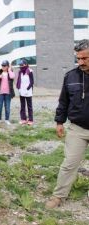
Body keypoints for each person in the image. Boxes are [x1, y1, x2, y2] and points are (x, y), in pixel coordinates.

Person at [45, 39, 89, 209]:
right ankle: (58, 196)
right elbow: (63, 101)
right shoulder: (70, 76)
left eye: (85, 58)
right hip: (77, 128)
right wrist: (59, 122)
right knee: (69, 163)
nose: (81, 62)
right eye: (78, 58)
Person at [0, 60, 15, 125]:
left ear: (8, 66)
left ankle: (7, 120)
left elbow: (12, 77)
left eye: (4, 65)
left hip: (8, 93)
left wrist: (10, 70)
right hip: (0, 93)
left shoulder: (10, 73)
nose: (3, 67)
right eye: (2, 65)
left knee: (7, 107)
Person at [16, 59, 34, 125]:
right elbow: (19, 81)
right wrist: (19, 89)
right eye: (20, 65)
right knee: (22, 106)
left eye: (22, 65)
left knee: (29, 106)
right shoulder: (20, 72)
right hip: (21, 91)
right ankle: (23, 119)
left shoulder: (30, 71)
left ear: (26, 64)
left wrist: (28, 89)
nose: (21, 66)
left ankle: (31, 120)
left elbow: (32, 82)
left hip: (28, 92)